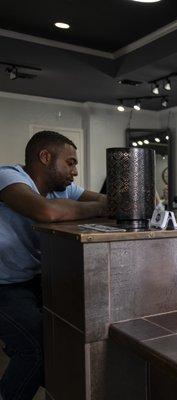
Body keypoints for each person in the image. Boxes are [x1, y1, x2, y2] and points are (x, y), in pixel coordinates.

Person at [0, 131, 107, 400]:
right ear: (45, 157)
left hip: (35, 280)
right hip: (4, 285)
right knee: (36, 348)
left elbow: (108, 202)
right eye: (70, 163)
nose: (75, 171)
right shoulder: (9, 178)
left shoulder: (63, 190)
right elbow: (46, 212)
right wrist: (97, 208)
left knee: (68, 334)